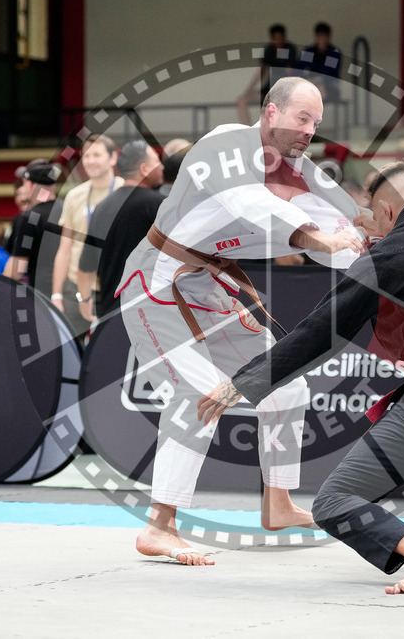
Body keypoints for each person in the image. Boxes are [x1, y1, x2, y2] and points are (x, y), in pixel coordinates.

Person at [197, 162, 404, 595]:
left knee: (334, 501)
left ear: (386, 211)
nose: (363, 226)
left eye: (365, 215)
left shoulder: (386, 256)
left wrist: (243, 382)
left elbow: (318, 333)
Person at [117, 76, 365, 566]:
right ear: (271, 112)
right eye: (302, 118)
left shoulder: (304, 174)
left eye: (316, 122)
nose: (309, 130)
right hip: (157, 281)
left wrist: (368, 241)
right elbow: (247, 203)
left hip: (211, 285)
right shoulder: (223, 145)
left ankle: (278, 504)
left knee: (285, 385)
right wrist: (318, 238)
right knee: (201, 392)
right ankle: (159, 527)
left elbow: (348, 230)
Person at [75, 139, 165, 321]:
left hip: (111, 317)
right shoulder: (157, 204)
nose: (162, 167)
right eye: (157, 162)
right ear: (144, 169)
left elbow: (86, 265)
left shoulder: (100, 208)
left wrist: (84, 300)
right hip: (150, 317)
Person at [50, 135, 121, 332]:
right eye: (86, 156)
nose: (90, 161)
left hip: (115, 286)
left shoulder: (126, 191)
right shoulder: (74, 196)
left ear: (112, 158)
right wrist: (56, 294)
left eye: (97, 155)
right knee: (75, 349)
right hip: (77, 286)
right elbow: (65, 248)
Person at [3, 160, 62, 297]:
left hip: (44, 294)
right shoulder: (67, 208)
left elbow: (17, 268)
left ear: (30, 185)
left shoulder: (30, 218)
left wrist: (2, 287)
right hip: (67, 291)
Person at [237, 23, 298, 124]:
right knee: (241, 100)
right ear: (271, 39)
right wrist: (249, 90)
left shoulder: (290, 49)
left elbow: (291, 73)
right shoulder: (269, 50)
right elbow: (261, 72)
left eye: (280, 38)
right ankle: (247, 132)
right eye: (275, 38)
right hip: (269, 89)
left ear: (284, 38)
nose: (278, 41)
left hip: (284, 92)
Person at [297, 21, 342, 101]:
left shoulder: (333, 53)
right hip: (310, 84)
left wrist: (318, 81)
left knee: (320, 90)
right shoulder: (309, 51)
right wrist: (309, 80)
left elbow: (329, 73)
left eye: (324, 37)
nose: (322, 40)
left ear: (329, 37)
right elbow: (301, 68)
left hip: (329, 85)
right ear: (316, 37)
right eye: (320, 37)